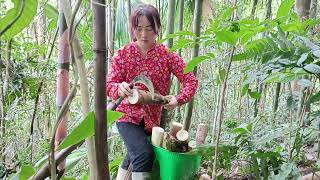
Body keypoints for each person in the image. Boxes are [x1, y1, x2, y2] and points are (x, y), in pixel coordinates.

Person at [106, 3, 198, 180]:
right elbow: (109, 84)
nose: (143, 34)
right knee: (143, 154)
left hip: (152, 119)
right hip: (126, 115)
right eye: (138, 28)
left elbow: (190, 80)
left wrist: (178, 99)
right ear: (133, 29)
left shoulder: (167, 55)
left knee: (132, 158)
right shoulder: (123, 54)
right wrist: (120, 88)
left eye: (149, 28)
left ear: (158, 28)